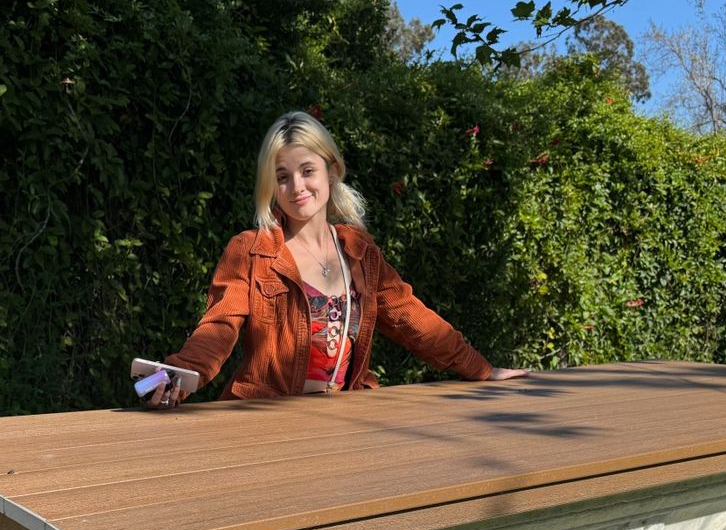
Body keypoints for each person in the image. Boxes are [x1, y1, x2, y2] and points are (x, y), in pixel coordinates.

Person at [145, 110, 528, 409]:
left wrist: (481, 368)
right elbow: (218, 328)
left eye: (307, 171)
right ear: (270, 186)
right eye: (282, 176)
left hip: (346, 416)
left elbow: (412, 319)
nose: (297, 187)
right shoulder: (251, 249)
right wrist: (175, 378)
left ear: (332, 171)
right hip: (266, 421)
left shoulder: (360, 252)